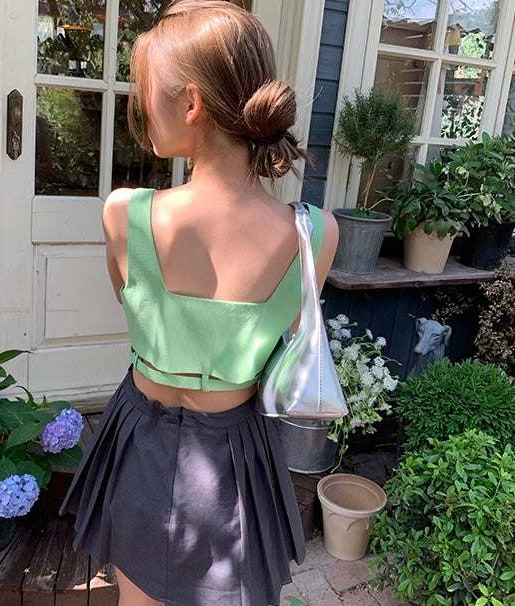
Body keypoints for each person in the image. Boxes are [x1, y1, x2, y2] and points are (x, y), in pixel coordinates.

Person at [60, 2, 339, 605]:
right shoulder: (314, 233)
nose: (141, 106)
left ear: (190, 103)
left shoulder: (125, 214)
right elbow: (290, 328)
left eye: (145, 89)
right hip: (236, 453)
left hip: (139, 437)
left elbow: (131, 303)